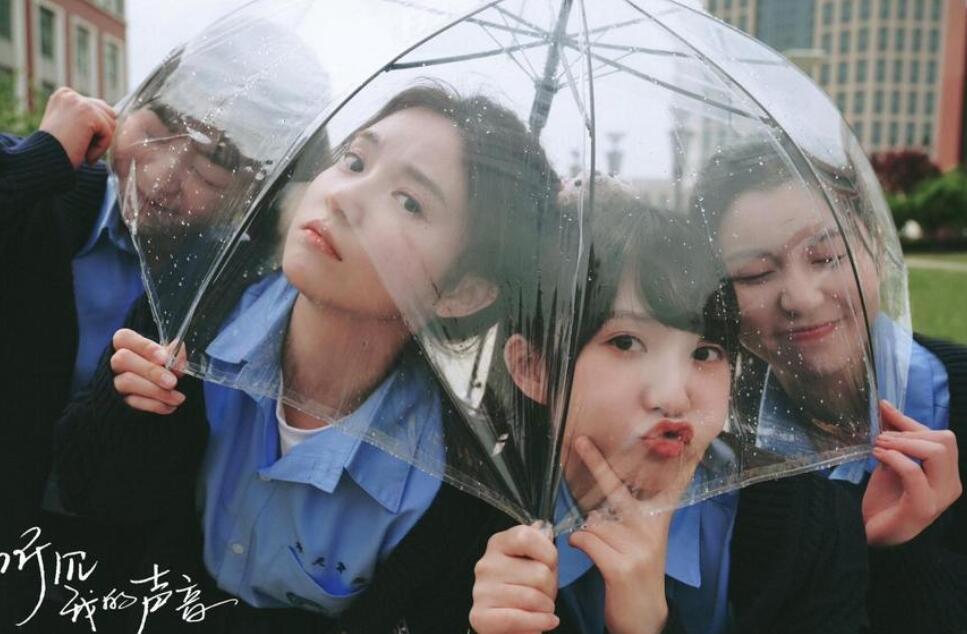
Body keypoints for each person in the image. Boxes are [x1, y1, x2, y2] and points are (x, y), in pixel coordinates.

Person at [54, 83, 560, 633]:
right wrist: (128, 409)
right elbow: (85, 492)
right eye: (355, 161)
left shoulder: (460, 475)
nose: (344, 197)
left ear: (462, 292)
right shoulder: (195, 308)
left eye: (410, 202)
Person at [470, 180, 868, 634]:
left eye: (705, 353)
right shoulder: (475, 515)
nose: (675, 397)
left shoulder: (808, 524)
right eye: (626, 343)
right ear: (533, 369)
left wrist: (647, 626)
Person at [691, 141, 965, 633]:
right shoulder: (716, 450)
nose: (800, 297)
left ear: (874, 243)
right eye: (755, 274)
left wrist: (907, 550)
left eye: (827, 256)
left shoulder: (955, 396)